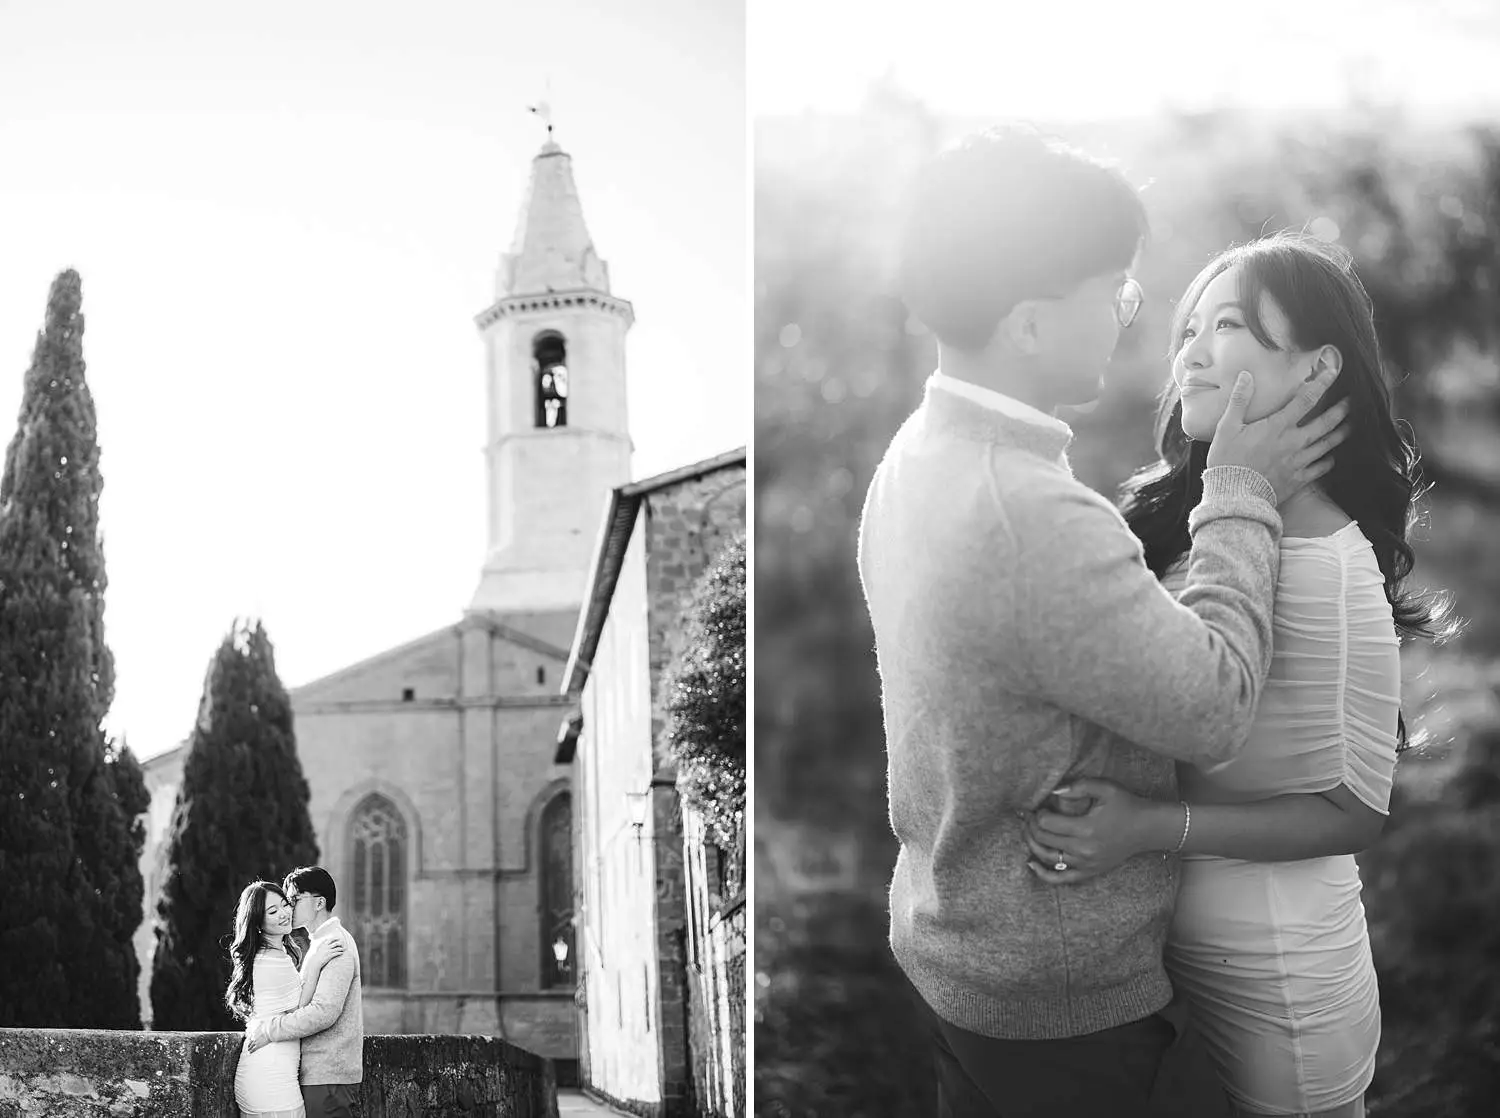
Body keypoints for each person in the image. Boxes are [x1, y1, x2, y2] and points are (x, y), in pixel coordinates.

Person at [856, 124, 1350, 1117]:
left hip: (969, 949)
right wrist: (1240, 488)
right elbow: (1212, 704)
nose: (1133, 319)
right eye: (1115, 293)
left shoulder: (921, 449)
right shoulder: (1024, 508)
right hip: (1063, 1005)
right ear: (1034, 324)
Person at [1023, 233, 1459, 1117]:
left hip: (1280, 991)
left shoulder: (1332, 568)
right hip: (1170, 968)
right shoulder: (1208, 525)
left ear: (1313, 369)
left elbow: (1356, 814)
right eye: (1189, 328)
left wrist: (1147, 825)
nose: (1189, 351)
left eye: (1226, 326)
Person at [245, 866, 364, 1118]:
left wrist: (269, 1030)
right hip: (319, 1074)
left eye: (295, 899)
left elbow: (323, 1012)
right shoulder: (319, 943)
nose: (289, 907)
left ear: (319, 902)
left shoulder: (336, 943)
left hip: (329, 1074)